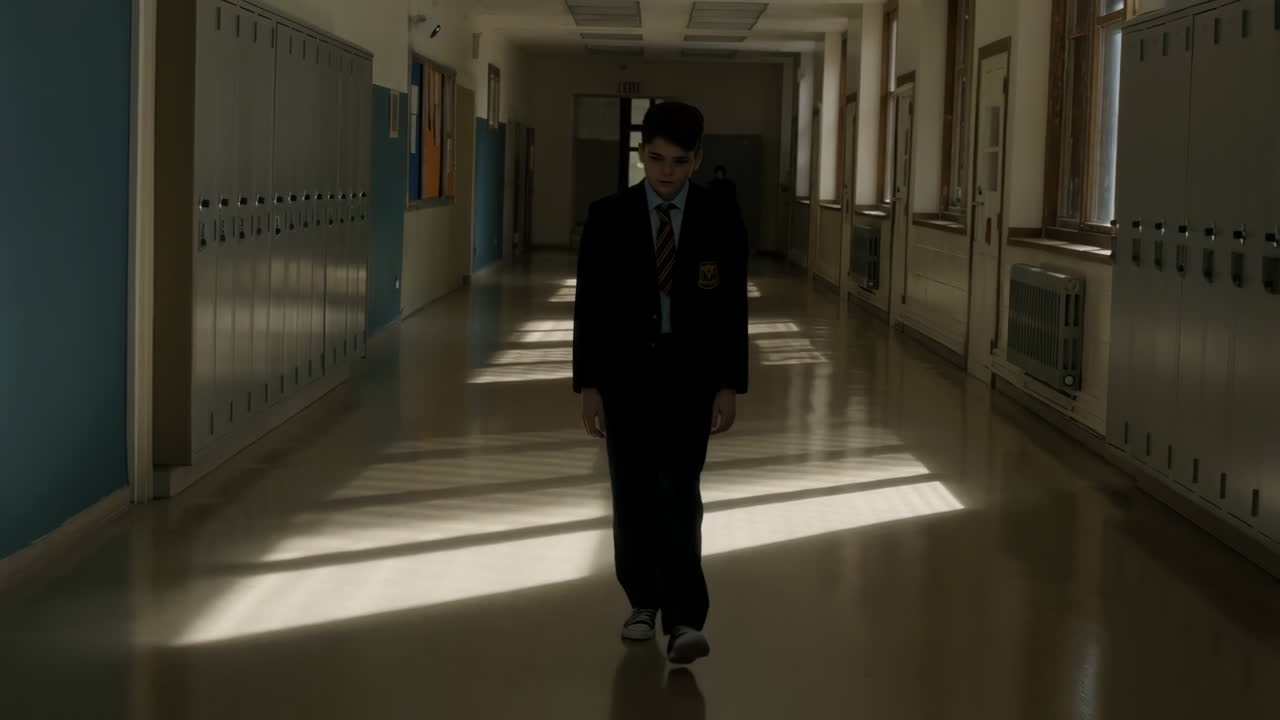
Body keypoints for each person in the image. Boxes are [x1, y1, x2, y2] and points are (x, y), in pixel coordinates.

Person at [572, 101, 749, 665]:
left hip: (690, 376)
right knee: (632, 491)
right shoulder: (608, 217)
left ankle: (685, 618)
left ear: (697, 158)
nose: (666, 172)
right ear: (640, 153)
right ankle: (641, 600)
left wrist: (729, 384)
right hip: (625, 377)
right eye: (654, 159)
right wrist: (590, 386)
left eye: (678, 161)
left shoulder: (720, 217)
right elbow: (590, 309)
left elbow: (731, 311)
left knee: (679, 492)